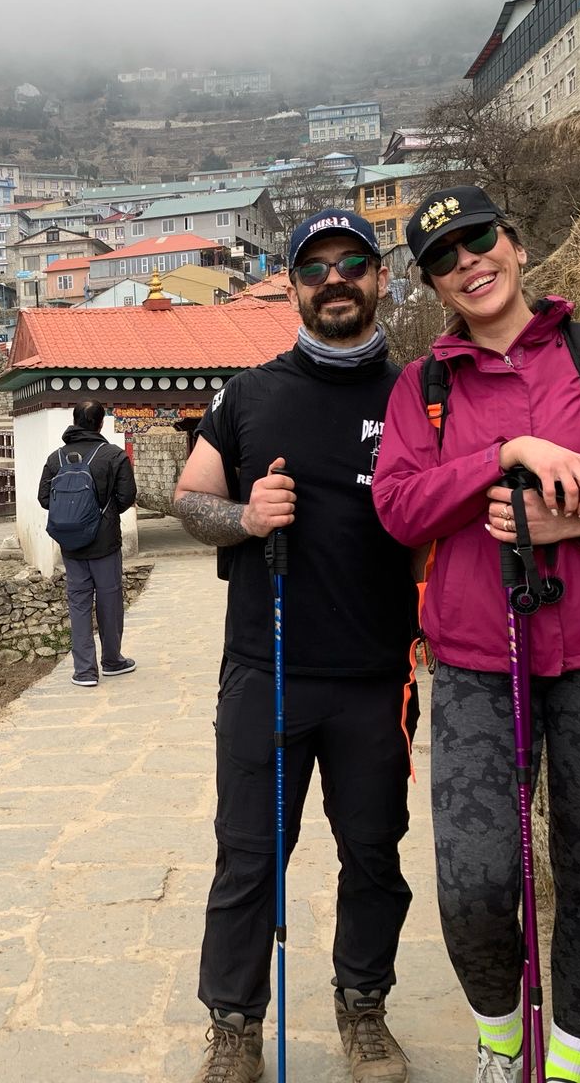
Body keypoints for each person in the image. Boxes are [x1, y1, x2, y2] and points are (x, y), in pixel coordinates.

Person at [372, 186, 580, 1083]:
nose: (467, 263)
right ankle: (499, 1037)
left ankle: (567, 1065)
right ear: (434, 285)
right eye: (443, 258)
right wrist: (507, 456)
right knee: (474, 882)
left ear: (515, 246)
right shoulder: (426, 388)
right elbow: (399, 506)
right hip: (482, 665)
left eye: (478, 240)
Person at [172, 209, 419, 1083]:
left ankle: (364, 1008)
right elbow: (187, 498)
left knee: (374, 854)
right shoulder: (249, 394)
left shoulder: (421, 393)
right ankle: (234, 1026)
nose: (335, 279)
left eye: (353, 262)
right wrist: (243, 517)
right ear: (293, 287)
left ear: (382, 276)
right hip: (264, 673)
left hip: (377, 678)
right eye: (315, 268)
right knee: (248, 857)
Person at [36, 400, 138, 686]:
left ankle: (84, 671)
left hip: (71, 545)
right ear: (100, 423)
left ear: (74, 420)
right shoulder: (113, 455)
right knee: (109, 601)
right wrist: (103, 515)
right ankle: (112, 661)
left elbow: (44, 499)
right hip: (105, 544)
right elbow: (127, 496)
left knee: (79, 604)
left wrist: (73, 516)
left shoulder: (56, 458)